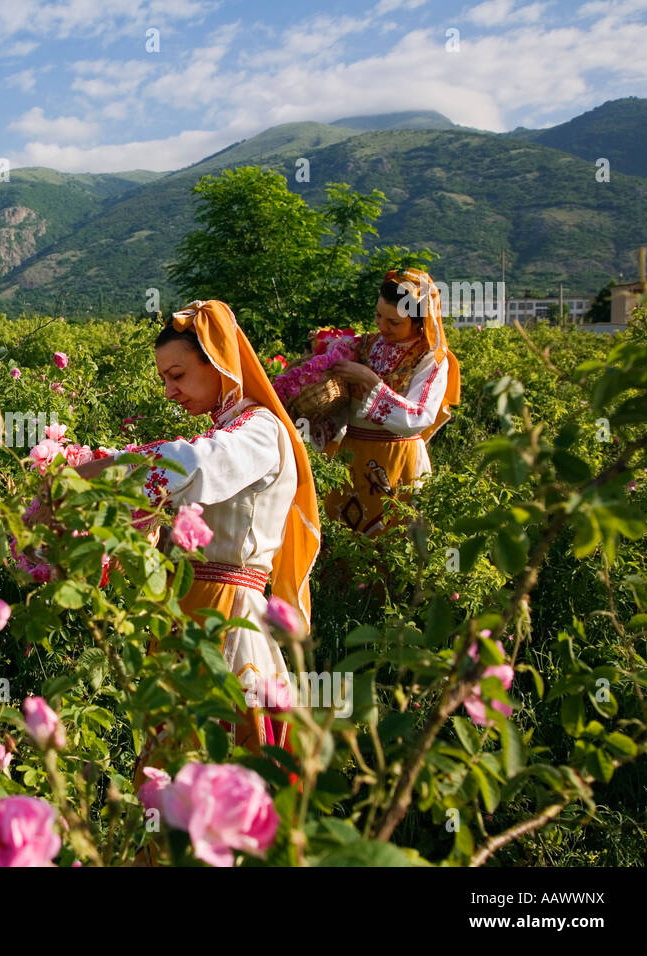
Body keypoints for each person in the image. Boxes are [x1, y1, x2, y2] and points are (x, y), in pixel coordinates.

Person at [72, 300, 320, 756]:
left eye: (178, 375)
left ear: (220, 363)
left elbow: (195, 465)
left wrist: (98, 472)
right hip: (189, 608)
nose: (170, 391)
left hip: (227, 613)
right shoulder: (228, 430)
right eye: (165, 378)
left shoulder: (260, 430)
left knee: (218, 750)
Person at [319, 269, 461, 536]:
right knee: (343, 543)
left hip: (399, 460)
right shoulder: (363, 346)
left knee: (392, 542)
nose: (383, 327)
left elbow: (418, 417)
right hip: (351, 457)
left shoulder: (431, 359)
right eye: (378, 316)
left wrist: (371, 382)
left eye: (394, 323)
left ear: (419, 322)